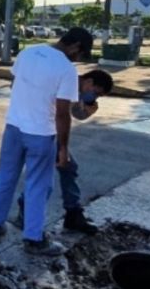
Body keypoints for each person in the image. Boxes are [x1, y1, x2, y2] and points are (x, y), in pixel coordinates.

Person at [0, 27, 93, 257]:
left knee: (5, 177)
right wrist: (63, 147)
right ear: (75, 46)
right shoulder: (66, 69)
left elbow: (14, 85)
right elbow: (62, 113)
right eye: (80, 54)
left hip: (13, 127)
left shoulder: (28, 52)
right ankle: (34, 239)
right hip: (41, 134)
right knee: (37, 185)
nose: (78, 59)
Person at [14, 69, 114, 234]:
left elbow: (78, 114)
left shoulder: (78, 88)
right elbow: (60, 115)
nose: (94, 97)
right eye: (96, 93)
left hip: (47, 132)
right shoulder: (65, 82)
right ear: (89, 81)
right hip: (38, 131)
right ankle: (28, 213)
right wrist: (62, 147)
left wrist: (89, 105)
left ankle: (71, 213)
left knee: (66, 168)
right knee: (42, 175)